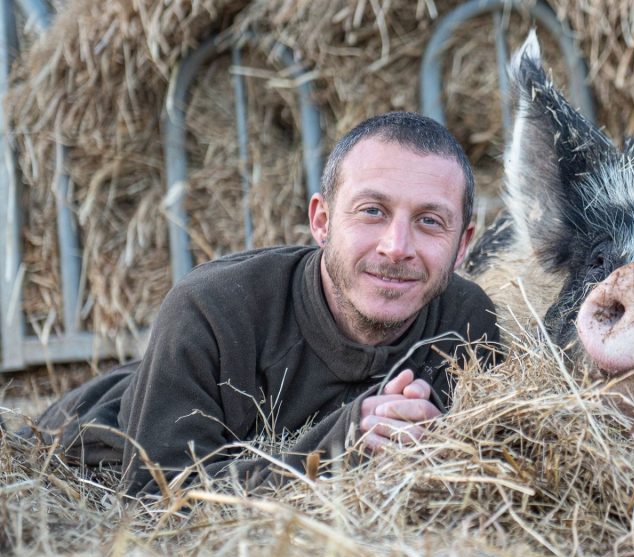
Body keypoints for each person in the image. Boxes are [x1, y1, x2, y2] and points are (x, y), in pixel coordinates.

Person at [26, 111, 499, 495]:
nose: (397, 246)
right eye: (372, 211)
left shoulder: (468, 322)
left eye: (430, 221)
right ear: (322, 221)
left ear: (462, 246)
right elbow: (158, 502)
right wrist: (340, 442)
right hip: (90, 439)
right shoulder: (211, 309)